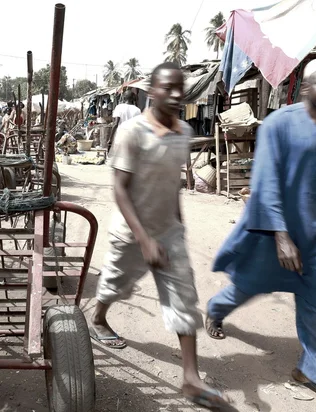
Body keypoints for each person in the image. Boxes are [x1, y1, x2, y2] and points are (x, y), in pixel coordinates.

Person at [89, 62, 230, 409]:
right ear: (152, 91)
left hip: (168, 233)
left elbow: (175, 184)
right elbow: (120, 190)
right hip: (131, 233)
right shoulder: (132, 132)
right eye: (168, 87)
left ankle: (191, 379)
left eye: (180, 87)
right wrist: (144, 240)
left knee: (184, 298)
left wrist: (177, 227)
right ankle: (98, 317)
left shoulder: (183, 131)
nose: (176, 94)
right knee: (115, 286)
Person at [206, 57, 316, 409]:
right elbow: (265, 182)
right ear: (306, 87)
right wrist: (282, 236)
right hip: (277, 229)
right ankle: (216, 308)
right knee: (251, 284)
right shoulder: (278, 124)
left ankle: (312, 372)